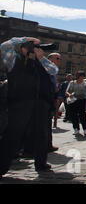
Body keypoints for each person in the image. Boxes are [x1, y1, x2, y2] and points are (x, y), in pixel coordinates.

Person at [0, 37, 58, 174]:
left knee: (41, 135)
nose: (35, 50)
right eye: (32, 47)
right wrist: (23, 39)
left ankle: (41, 164)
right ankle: (2, 167)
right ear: (23, 48)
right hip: (19, 102)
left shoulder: (39, 62)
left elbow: (53, 70)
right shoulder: (14, 59)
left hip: (38, 103)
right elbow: (3, 47)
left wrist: (41, 58)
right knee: (13, 135)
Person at [66, 70, 86, 136]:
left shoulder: (85, 83)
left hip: (81, 100)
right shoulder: (72, 83)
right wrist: (69, 95)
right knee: (73, 115)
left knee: (82, 115)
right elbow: (67, 92)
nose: (82, 78)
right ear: (78, 76)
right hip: (73, 100)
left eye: (83, 76)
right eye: (81, 76)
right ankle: (76, 129)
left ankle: (85, 130)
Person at [47, 53, 61, 152]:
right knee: (44, 123)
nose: (59, 60)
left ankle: (48, 144)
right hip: (45, 98)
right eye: (57, 58)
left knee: (48, 123)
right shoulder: (46, 69)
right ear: (50, 59)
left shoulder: (53, 71)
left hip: (51, 98)